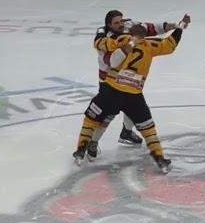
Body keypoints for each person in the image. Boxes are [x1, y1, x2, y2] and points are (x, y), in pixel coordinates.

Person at [73, 15, 191, 173]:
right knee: (148, 130)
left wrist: (103, 35)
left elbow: (105, 46)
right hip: (133, 94)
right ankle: (159, 159)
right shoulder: (150, 44)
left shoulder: (121, 38)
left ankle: (82, 149)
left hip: (111, 89)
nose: (121, 24)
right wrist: (180, 27)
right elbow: (170, 44)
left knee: (91, 119)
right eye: (117, 23)